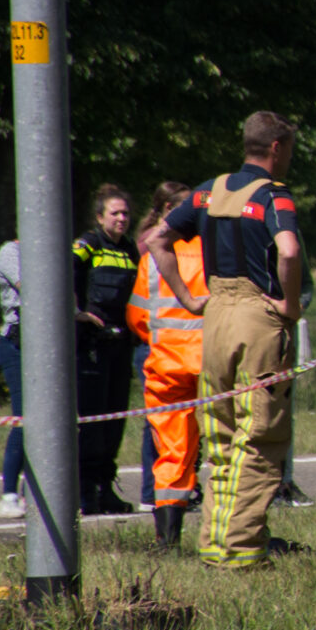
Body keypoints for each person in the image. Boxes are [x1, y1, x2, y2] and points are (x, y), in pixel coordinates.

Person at [146, 110, 307, 569]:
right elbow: (289, 250)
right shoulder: (275, 195)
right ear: (276, 147)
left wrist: (188, 299)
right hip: (258, 319)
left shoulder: (206, 191)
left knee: (219, 437)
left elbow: (157, 239)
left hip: (215, 317)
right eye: (289, 149)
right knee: (259, 436)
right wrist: (289, 305)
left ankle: (214, 543)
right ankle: (241, 549)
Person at [128, 182, 203, 549]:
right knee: (226, 444)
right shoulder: (212, 251)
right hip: (211, 362)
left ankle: (167, 539)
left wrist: (162, 340)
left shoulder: (152, 257)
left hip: (166, 364)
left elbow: (137, 316)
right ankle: (231, 532)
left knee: (173, 450)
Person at [72, 184, 140, 515]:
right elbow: (61, 270)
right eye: (115, 213)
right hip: (92, 346)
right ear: (100, 217)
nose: (122, 219)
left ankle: (105, 488)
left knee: (115, 421)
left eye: (125, 213)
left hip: (121, 345)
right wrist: (76, 311)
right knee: (92, 421)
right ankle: (85, 491)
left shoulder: (129, 249)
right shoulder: (88, 245)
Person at [0, 233, 27, 520]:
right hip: (16, 345)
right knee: (24, 419)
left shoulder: (52, 252)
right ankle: (9, 496)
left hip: (46, 348)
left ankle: (34, 492)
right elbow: (31, 288)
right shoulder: (10, 252)